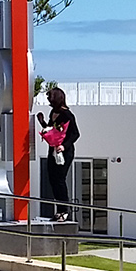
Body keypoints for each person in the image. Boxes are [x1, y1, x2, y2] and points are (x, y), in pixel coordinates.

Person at [38, 86, 79, 222]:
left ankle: (64, 210)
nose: (49, 100)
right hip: (53, 149)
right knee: (53, 180)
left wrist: (64, 145)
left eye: (50, 97)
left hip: (64, 151)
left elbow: (75, 134)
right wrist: (42, 122)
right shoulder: (52, 112)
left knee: (60, 180)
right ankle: (59, 209)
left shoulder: (67, 115)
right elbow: (52, 129)